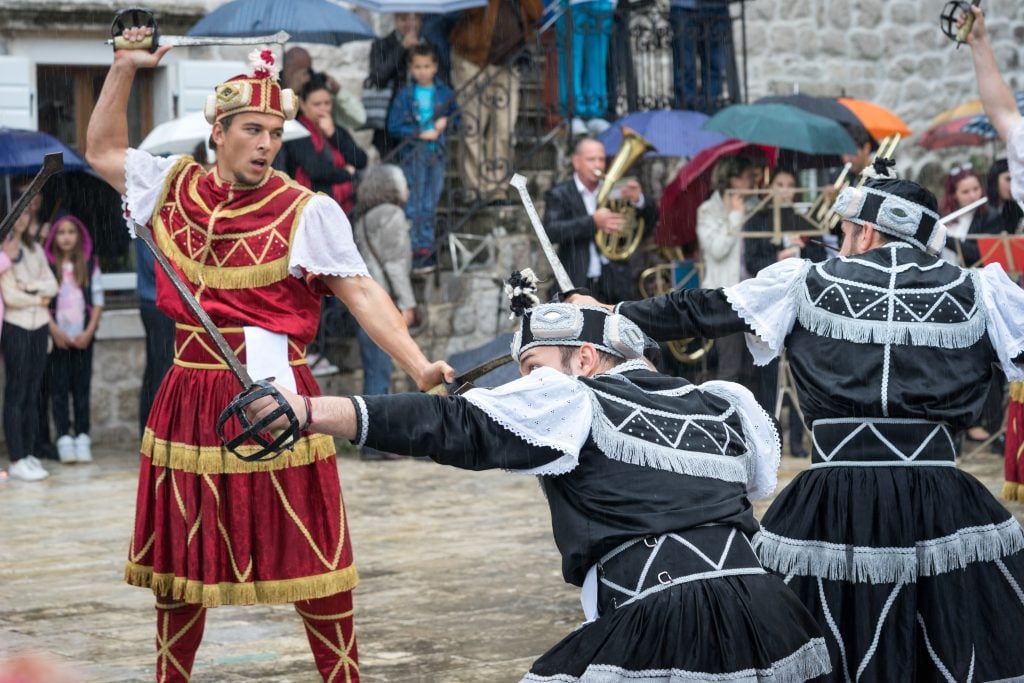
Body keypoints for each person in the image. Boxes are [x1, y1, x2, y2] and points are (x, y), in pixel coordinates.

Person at [85, 33, 453, 681]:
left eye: (273, 131)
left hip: (278, 396)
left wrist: (417, 364)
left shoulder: (306, 211)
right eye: (251, 130)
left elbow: (361, 290)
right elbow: (104, 150)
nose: (265, 143)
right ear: (218, 131)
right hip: (188, 396)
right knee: (181, 569)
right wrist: (122, 69)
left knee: (312, 557)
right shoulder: (172, 185)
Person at [236, 285, 832, 682]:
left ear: (586, 360)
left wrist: (311, 411)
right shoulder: (716, 403)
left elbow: (453, 425)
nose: (526, 386)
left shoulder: (573, 397)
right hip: (769, 614)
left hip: (664, 620)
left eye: (532, 369)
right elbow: (749, 487)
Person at [577, 159, 1024, 679]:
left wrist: (611, 312)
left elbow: (701, 309)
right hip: (940, 501)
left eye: (847, 230)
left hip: (832, 501)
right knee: (946, 639)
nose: (842, 240)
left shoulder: (805, 282)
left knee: (813, 643)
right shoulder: (980, 291)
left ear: (868, 231)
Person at [351, 164, 417, 461]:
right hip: (383, 302)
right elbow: (395, 264)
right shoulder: (392, 215)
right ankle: (376, 442)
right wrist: (407, 302)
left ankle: (371, 438)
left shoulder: (363, 219)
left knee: (374, 371)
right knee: (381, 373)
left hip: (363, 303)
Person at [449, 0, 543, 203]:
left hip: (508, 62)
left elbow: (536, 13)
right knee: (473, 126)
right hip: (472, 59)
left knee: (504, 129)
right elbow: (466, 8)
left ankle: (497, 188)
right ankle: (474, 189)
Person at [543, 137, 656, 304]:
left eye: (601, 159)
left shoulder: (616, 191)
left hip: (614, 282)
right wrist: (593, 222)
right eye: (591, 159)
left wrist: (639, 200)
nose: (598, 165)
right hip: (577, 282)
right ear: (576, 162)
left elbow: (649, 223)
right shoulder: (560, 193)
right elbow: (551, 231)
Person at [0, 202, 59, 482]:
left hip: (39, 326)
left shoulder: (34, 249)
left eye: (25, 212)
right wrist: (39, 297)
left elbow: (53, 284)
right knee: (16, 392)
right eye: (17, 213)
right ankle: (17, 457)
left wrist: (32, 288)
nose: (23, 218)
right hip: (17, 327)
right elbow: (11, 297)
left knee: (33, 392)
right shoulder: (4, 252)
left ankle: (30, 451)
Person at [387, 42, 457, 274]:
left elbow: (457, 116)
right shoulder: (405, 95)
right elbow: (393, 126)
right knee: (415, 201)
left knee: (430, 201)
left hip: (436, 153)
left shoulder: (444, 92)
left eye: (427, 66)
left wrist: (445, 121)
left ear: (435, 66)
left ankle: (424, 248)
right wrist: (418, 133)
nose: (423, 71)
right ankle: (414, 248)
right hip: (413, 155)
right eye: (418, 66)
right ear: (410, 68)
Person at [43, 214, 103, 464]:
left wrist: (88, 332)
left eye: (71, 232)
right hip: (58, 340)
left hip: (82, 339)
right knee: (58, 390)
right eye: (61, 232)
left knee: (81, 390)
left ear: (79, 236)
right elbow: (43, 301)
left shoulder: (89, 264)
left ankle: (82, 436)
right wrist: (55, 330)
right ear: (54, 237)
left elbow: (98, 301)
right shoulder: (47, 267)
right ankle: (64, 438)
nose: (66, 237)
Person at [697, 155, 754, 386]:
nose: (753, 183)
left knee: (753, 367)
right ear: (733, 179)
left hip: (752, 294)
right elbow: (717, 249)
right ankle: (728, 419)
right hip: (724, 297)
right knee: (730, 366)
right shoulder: (708, 210)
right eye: (748, 177)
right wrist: (735, 215)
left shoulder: (754, 205)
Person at [282, 72, 368, 216]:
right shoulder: (297, 132)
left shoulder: (335, 129)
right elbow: (317, 170)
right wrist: (347, 173)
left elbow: (360, 159)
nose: (323, 109)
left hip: (344, 206)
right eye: (317, 104)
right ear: (303, 105)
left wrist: (333, 134)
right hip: (311, 207)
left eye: (327, 103)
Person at [365, 12, 427, 157]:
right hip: (389, 119)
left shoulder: (427, 45)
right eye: (404, 19)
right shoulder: (381, 44)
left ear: (420, 20)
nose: (409, 24)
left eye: (414, 19)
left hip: (420, 115)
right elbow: (378, 78)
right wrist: (401, 48)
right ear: (395, 20)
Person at [134, 238, 174, 438]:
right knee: (161, 372)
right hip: (158, 303)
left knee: (158, 370)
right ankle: (157, 432)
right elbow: (156, 262)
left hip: (162, 302)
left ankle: (154, 432)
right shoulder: (149, 218)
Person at [557, 0, 615, 136]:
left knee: (598, 59)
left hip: (603, 3)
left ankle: (595, 112)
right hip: (573, 3)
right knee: (572, 58)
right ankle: (572, 113)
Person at [282, 46, 366, 136]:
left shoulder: (315, 86)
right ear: (285, 69)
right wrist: (292, 91)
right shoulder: (275, 86)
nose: (323, 108)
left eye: (306, 70)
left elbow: (359, 119)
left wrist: (338, 91)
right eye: (296, 70)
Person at [669, 0, 733, 110]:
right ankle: (686, 117)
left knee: (714, 67)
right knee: (685, 69)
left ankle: (711, 114)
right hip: (685, 7)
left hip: (717, 7)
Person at [984, 158, 1024, 234]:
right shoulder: (983, 208)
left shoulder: (1014, 207)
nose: (1013, 185)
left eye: (1016, 180)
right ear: (994, 179)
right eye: (1008, 179)